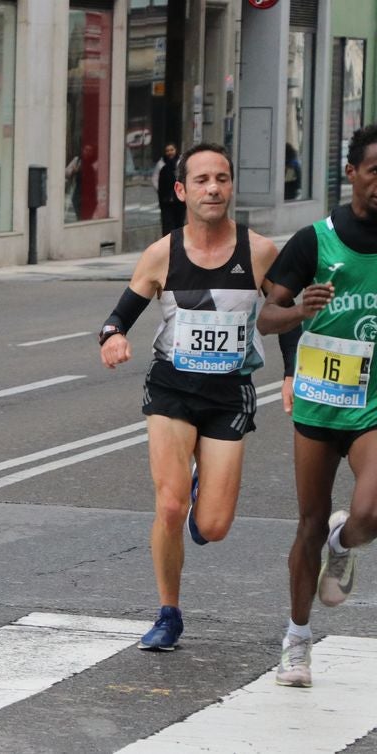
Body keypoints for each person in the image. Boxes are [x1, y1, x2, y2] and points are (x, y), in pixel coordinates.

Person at [98, 143, 291, 652]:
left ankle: (202, 489)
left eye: (222, 178)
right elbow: (119, 316)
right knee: (168, 504)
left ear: (231, 187)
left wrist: (293, 373)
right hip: (172, 388)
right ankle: (168, 613)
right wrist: (113, 336)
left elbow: (286, 313)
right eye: (202, 179)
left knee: (213, 525)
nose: (214, 188)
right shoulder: (163, 253)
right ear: (182, 190)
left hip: (230, 393)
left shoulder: (262, 252)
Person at [258, 124, 377, 688]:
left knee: (371, 511)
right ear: (351, 173)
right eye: (375, 171)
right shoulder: (314, 240)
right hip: (320, 401)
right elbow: (265, 318)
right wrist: (302, 312)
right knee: (307, 521)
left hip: (372, 405)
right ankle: (297, 641)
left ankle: (344, 540)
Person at [152, 142, 185, 236]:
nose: (170, 152)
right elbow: (155, 179)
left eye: (172, 150)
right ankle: (167, 245)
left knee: (179, 222)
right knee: (167, 223)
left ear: (176, 150)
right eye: (167, 150)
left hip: (179, 200)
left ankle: (178, 244)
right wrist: (161, 191)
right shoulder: (161, 163)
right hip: (165, 200)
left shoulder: (181, 162)